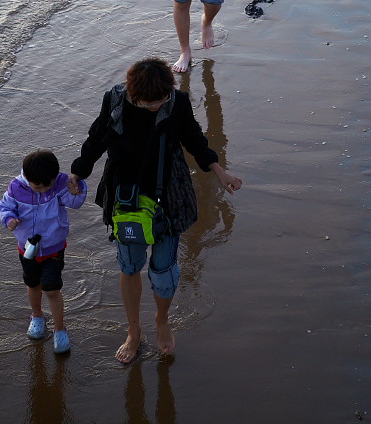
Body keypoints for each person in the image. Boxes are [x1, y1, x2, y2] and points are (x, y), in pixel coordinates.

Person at [67, 58, 242, 363]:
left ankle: (162, 319)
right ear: (133, 95)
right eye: (149, 102)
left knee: (163, 270)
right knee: (130, 264)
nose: (156, 106)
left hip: (168, 197)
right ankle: (133, 331)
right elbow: (97, 138)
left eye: (161, 100)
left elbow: (194, 138)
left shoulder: (176, 102)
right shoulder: (115, 99)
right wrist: (78, 173)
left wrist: (218, 170)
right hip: (126, 197)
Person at [0, 149, 87, 353]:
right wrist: (9, 219)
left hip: (53, 249)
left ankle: (60, 329)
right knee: (33, 284)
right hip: (27, 249)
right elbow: (4, 207)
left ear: (54, 178)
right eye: (36, 186)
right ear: (27, 177)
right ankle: (37, 316)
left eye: (46, 185)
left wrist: (78, 187)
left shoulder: (59, 184)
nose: (41, 190)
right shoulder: (16, 187)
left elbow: (76, 203)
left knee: (52, 288)